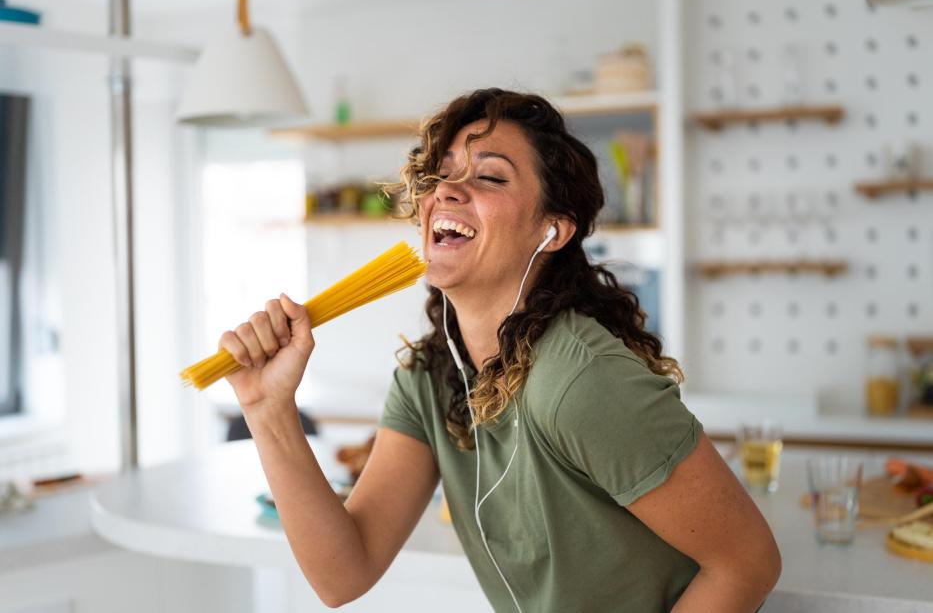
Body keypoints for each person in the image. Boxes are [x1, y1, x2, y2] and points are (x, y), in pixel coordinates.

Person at [219, 88, 782, 612]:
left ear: (553, 230)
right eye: (441, 176)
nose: (447, 191)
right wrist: (269, 411)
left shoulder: (582, 382)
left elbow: (747, 562)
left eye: (489, 177)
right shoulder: (431, 377)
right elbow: (343, 574)